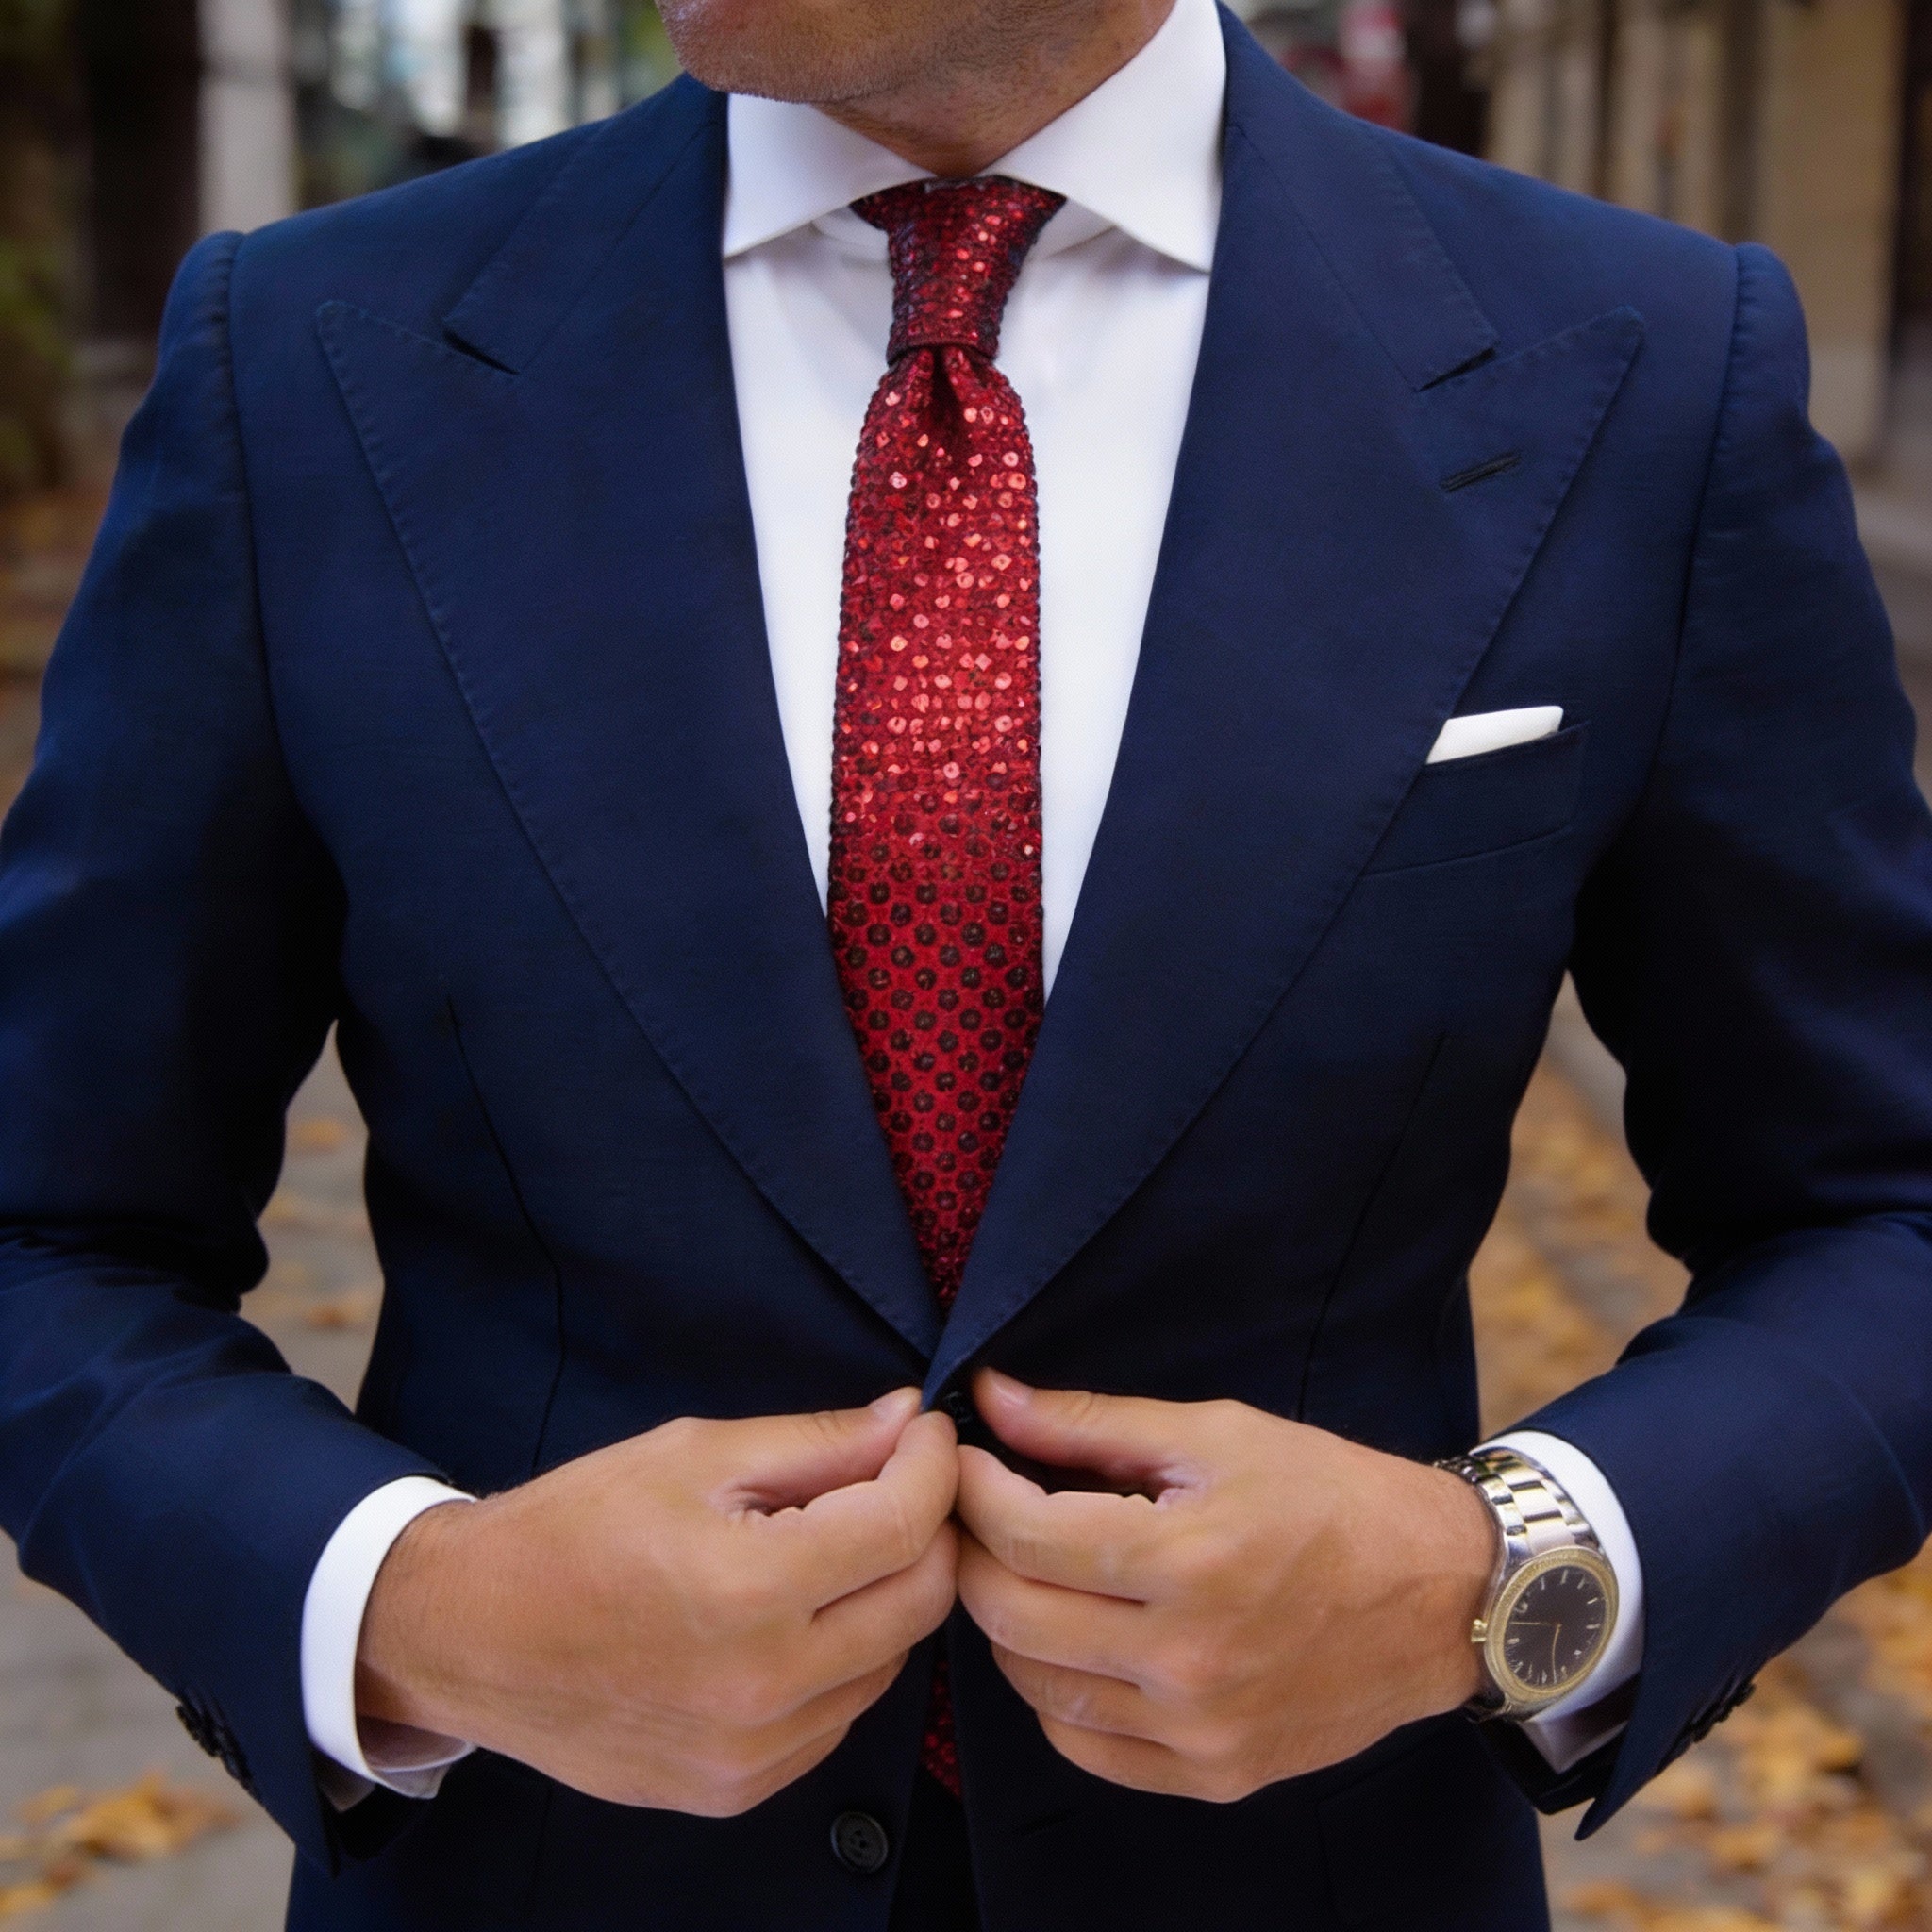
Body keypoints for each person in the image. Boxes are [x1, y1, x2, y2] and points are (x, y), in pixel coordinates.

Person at [2, 0, 1929, 1922]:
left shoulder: (1640, 369)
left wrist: (1491, 1579)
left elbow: (1879, 1208)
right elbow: (50, 1224)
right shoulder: (313, 358)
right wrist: (403, 1603)